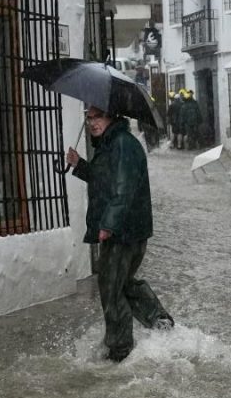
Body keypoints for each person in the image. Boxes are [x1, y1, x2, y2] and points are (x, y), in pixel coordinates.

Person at [66, 106, 174, 363]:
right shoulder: (111, 144)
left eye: (98, 117)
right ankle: (160, 322)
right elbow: (104, 181)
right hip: (126, 229)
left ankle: (120, 350)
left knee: (110, 287)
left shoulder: (122, 145)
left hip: (123, 232)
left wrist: (109, 225)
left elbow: (124, 189)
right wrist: (79, 164)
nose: (92, 123)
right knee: (122, 283)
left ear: (112, 117)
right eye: (89, 118)